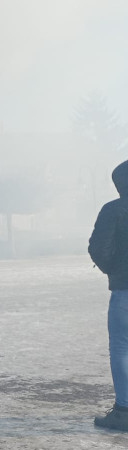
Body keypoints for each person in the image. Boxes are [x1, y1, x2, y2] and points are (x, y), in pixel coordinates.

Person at [90, 159, 128, 430]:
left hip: (125, 290)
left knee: (122, 348)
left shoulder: (113, 210)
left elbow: (98, 248)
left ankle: (124, 411)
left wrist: (115, 270)